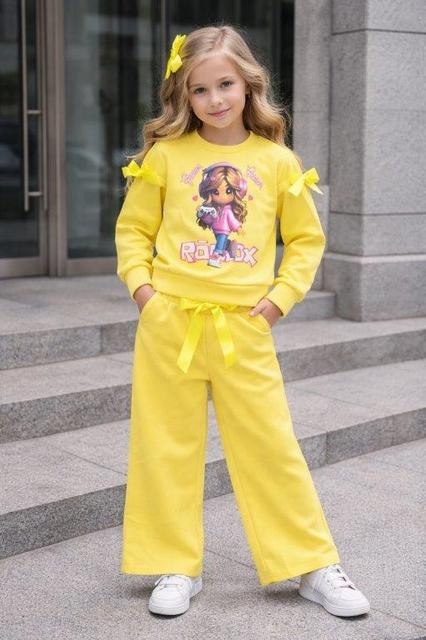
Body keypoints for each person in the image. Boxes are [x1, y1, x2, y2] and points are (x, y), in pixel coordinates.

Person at [115, 25, 370, 619]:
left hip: (244, 328)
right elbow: (133, 230)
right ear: (184, 95)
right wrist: (145, 293)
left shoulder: (277, 161)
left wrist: (278, 300)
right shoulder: (166, 156)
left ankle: (311, 564)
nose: (215, 99)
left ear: (249, 83)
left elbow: (305, 240)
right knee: (164, 446)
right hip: (170, 324)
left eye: (225, 84)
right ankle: (176, 563)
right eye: (200, 89)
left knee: (271, 445)